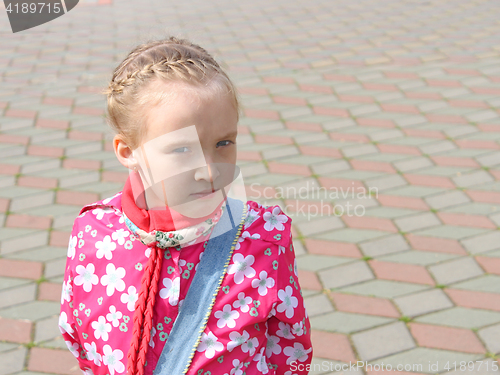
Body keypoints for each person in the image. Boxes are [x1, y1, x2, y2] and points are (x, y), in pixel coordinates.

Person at [59, 36, 313, 375]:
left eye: (224, 143)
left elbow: (289, 347)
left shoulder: (263, 239)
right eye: (181, 150)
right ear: (127, 151)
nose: (208, 171)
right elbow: (79, 333)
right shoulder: (94, 232)